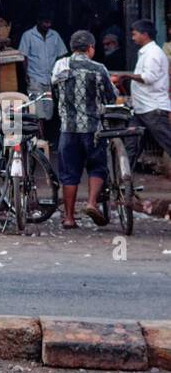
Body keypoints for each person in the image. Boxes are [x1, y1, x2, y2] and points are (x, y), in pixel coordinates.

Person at [51, 30, 117, 229]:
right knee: (97, 166)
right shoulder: (98, 68)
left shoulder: (60, 67)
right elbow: (110, 97)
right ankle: (91, 203)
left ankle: (69, 218)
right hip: (93, 129)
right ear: (90, 48)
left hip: (68, 130)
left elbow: (54, 93)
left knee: (69, 173)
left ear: (72, 48)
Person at [113, 18, 171, 175]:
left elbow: (148, 78)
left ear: (145, 35)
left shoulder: (152, 53)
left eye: (135, 34)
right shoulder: (148, 52)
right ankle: (124, 182)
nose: (133, 38)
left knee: (167, 142)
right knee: (132, 145)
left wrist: (126, 75)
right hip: (142, 108)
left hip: (152, 108)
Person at [19, 15, 67, 93]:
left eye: (50, 22)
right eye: (45, 22)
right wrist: (26, 74)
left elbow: (61, 55)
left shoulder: (55, 35)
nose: (48, 25)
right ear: (38, 21)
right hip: (34, 78)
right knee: (36, 104)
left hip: (51, 79)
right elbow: (24, 57)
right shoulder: (28, 35)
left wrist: (59, 73)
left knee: (49, 104)